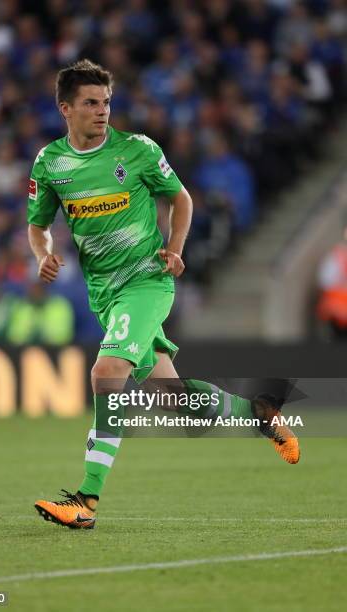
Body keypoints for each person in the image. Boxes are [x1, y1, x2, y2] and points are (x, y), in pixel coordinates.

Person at [27, 59, 300, 531]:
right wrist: (43, 253)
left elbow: (182, 198)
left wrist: (174, 248)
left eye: (107, 102)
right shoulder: (50, 163)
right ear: (65, 107)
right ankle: (256, 411)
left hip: (146, 282)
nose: (102, 111)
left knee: (107, 371)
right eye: (91, 103)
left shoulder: (136, 150)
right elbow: (37, 225)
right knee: (174, 397)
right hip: (105, 293)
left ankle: (86, 501)